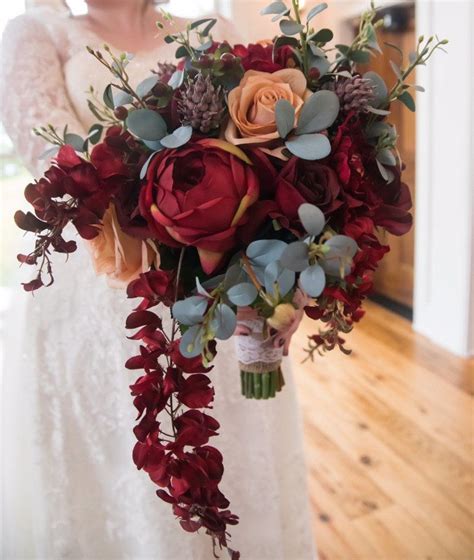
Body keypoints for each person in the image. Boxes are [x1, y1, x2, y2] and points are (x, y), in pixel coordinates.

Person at [1, 1, 316, 558]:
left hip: (224, 289)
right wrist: (180, 206)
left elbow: (268, 162)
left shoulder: (212, 29)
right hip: (108, 297)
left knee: (239, 452)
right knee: (135, 479)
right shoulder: (39, 34)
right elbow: (52, 160)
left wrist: (282, 283)